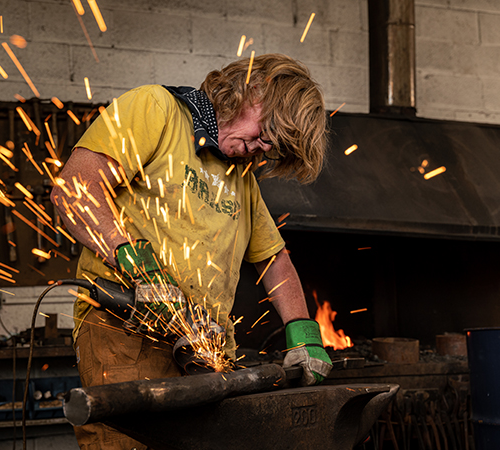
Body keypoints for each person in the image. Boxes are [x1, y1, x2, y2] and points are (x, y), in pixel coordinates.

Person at [51, 53, 331, 450]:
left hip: (206, 351)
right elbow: (74, 188)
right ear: (252, 92)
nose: (261, 151)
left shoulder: (240, 174)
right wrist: (133, 261)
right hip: (127, 334)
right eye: (264, 135)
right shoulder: (157, 110)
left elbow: (274, 258)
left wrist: (305, 336)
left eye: (270, 149)